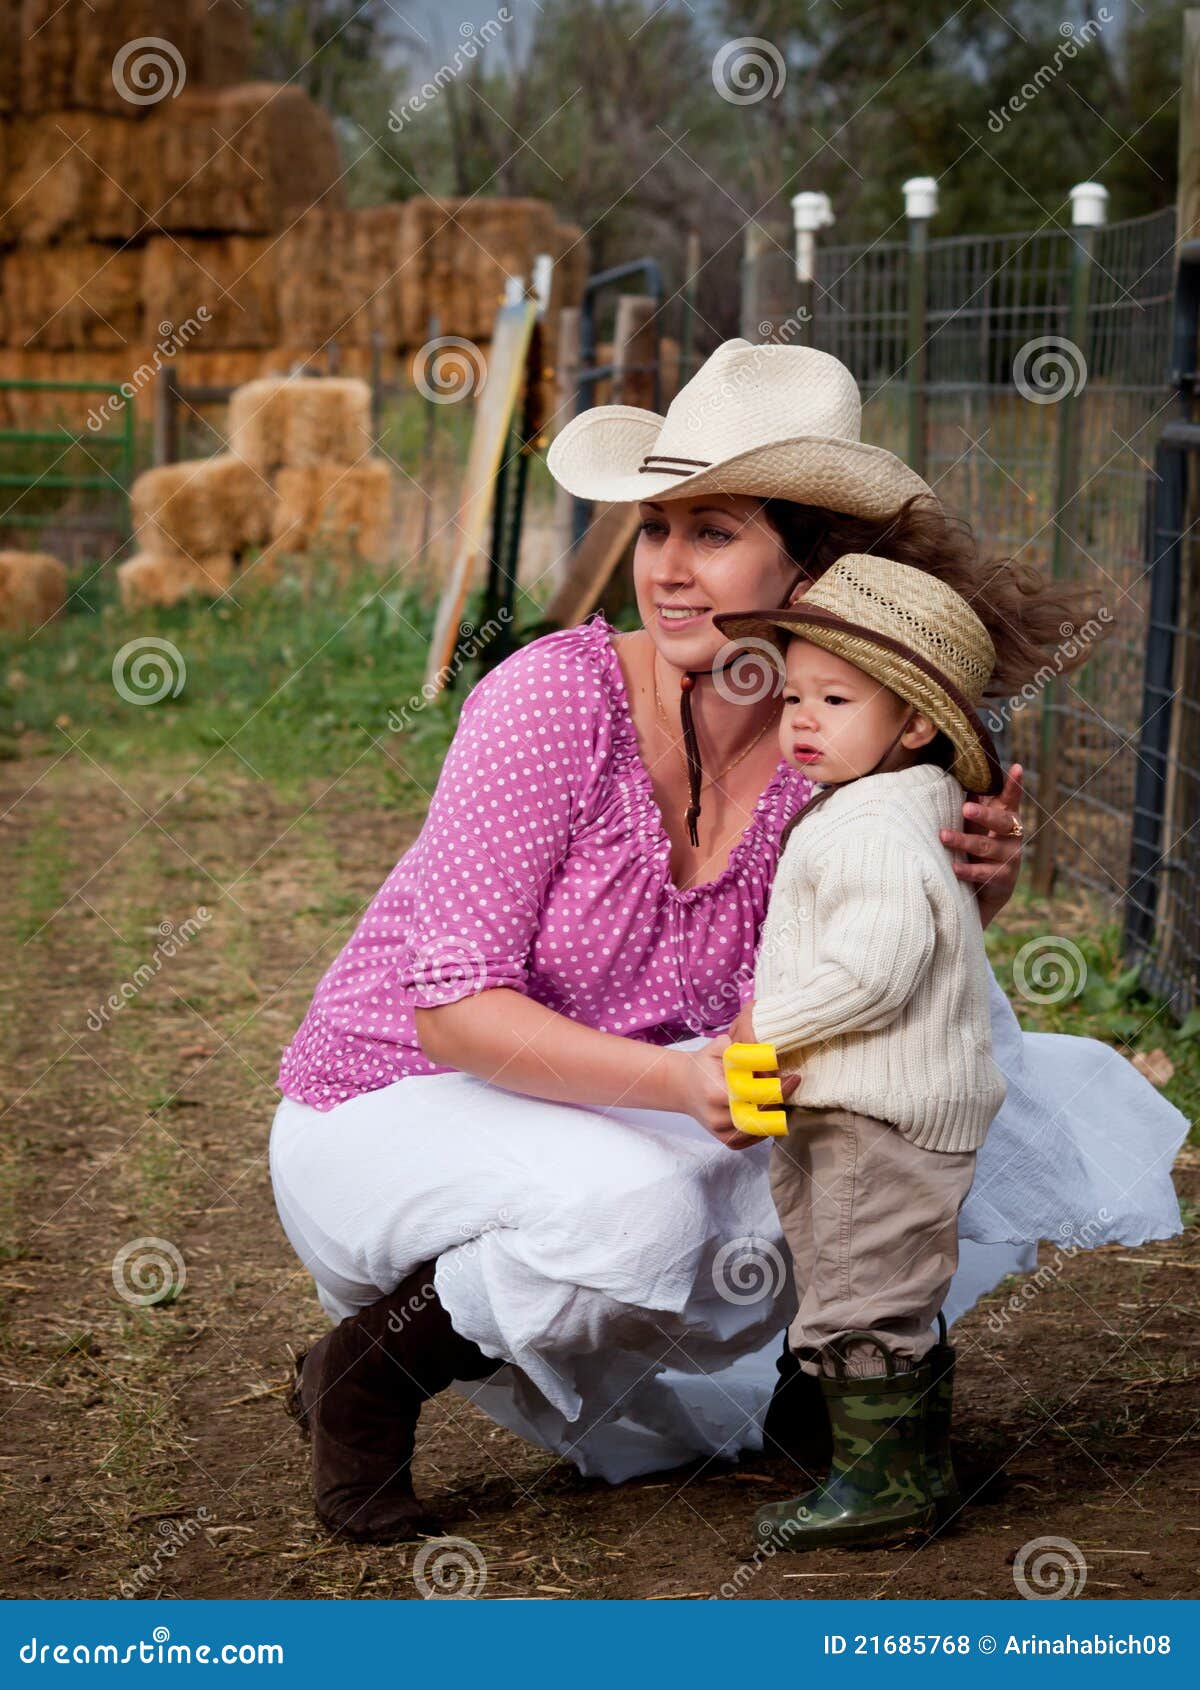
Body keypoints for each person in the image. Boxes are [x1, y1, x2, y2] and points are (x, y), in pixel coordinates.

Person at [269, 340, 1187, 1545]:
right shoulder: (556, 701)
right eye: (658, 529)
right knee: (648, 1213)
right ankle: (366, 1373)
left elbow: (880, 964)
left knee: (951, 1072)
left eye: (713, 532)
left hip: (622, 1096)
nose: (667, 570)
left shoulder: (846, 742)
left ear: (817, 569)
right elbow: (452, 1010)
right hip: (402, 1097)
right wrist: (681, 1081)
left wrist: (974, 886)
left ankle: (841, 1402)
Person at [712, 551, 1018, 1550]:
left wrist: (770, 1022)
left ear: (916, 720)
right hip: (895, 1105)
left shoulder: (871, 829)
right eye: (794, 693)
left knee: (852, 1297)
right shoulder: (908, 800)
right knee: (891, 1290)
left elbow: (877, 969)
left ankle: (876, 1488)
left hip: (870, 1118)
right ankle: (917, 1467)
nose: (802, 718)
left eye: (836, 698)